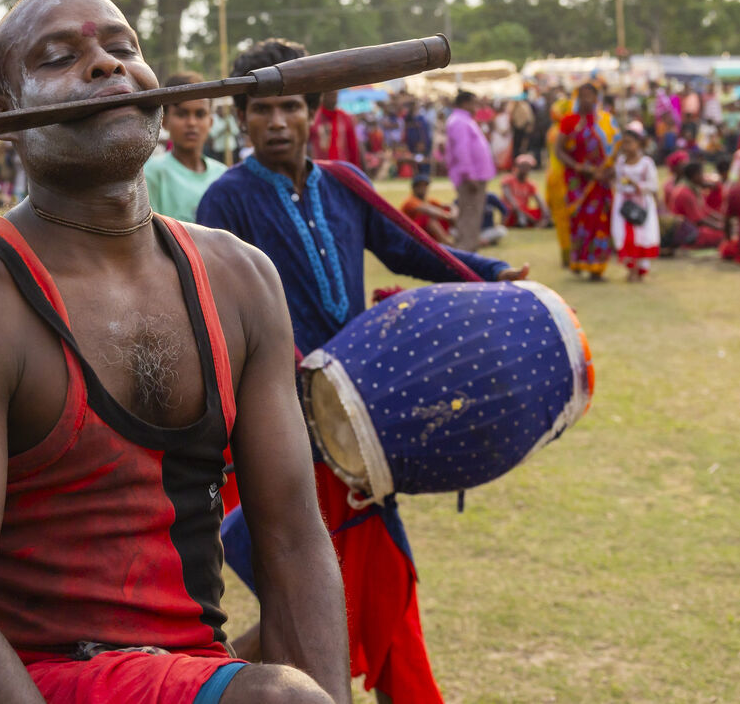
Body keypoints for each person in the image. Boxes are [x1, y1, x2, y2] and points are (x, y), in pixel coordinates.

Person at [0, 0, 351, 704]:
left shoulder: (241, 279)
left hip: (193, 668)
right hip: (29, 680)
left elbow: (292, 540)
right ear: (2, 118)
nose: (107, 65)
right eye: (58, 57)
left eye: (122, 47)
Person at [197, 37, 528, 704]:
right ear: (240, 117)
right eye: (261, 109)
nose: (277, 122)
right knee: (313, 594)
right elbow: (213, 313)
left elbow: (412, 249)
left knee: (377, 581)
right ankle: (216, 684)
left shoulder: (346, 183)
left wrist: (492, 277)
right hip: (278, 429)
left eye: (291, 106)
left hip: (358, 422)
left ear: (314, 111)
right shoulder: (225, 202)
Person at [555, 82, 620, 279]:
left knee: (599, 222)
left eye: (590, 95)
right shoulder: (569, 121)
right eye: (582, 95)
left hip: (601, 181)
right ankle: (577, 261)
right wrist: (580, 168)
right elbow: (559, 150)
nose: (587, 99)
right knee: (579, 222)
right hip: (579, 182)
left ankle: (596, 267)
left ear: (597, 98)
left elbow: (616, 148)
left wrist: (609, 170)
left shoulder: (606, 121)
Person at [143, 72, 227, 222]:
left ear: (210, 122)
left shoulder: (223, 175)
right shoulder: (152, 175)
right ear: (164, 121)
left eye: (200, 114)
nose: (192, 123)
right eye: (182, 114)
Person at [444, 90, 496, 252]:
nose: (477, 107)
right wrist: (469, 175)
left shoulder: (464, 120)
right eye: (474, 103)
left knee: (472, 216)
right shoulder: (459, 121)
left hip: (475, 175)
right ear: (465, 103)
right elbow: (461, 150)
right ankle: (466, 253)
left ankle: (468, 251)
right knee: (469, 217)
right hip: (470, 178)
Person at [611, 123, 659, 281]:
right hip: (623, 204)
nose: (626, 146)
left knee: (641, 236)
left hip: (641, 205)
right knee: (625, 237)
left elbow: (653, 185)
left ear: (638, 143)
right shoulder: (620, 162)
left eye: (629, 142)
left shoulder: (646, 163)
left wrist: (636, 185)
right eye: (624, 142)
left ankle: (639, 269)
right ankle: (631, 268)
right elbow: (618, 182)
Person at [668, 161, 726, 248]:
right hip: (688, 233)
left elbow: (706, 210)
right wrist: (722, 227)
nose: (703, 177)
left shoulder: (691, 188)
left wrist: (724, 221)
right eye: (701, 174)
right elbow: (699, 220)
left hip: (691, 229)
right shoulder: (686, 193)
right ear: (695, 176)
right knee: (723, 235)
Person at [400, 173, 456, 244]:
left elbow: (449, 206)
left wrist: (452, 214)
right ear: (414, 187)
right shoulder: (410, 201)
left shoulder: (429, 200)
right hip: (411, 233)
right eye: (420, 186)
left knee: (446, 211)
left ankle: (456, 236)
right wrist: (448, 216)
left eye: (425, 186)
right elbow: (428, 210)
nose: (423, 189)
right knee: (428, 218)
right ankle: (448, 243)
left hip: (425, 231)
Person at [309, 89, 362, 165]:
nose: (332, 98)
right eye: (329, 94)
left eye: (335, 95)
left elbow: (353, 148)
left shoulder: (345, 118)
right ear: (322, 96)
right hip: (320, 167)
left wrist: (354, 168)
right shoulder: (314, 118)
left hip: (342, 167)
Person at [500, 155, 548, 228]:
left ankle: (531, 221)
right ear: (517, 166)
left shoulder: (530, 184)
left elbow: (540, 201)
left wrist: (545, 212)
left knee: (543, 211)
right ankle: (528, 222)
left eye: (528, 167)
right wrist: (533, 220)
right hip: (511, 211)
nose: (525, 169)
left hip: (524, 211)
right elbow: (511, 200)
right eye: (523, 166)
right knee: (515, 210)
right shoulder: (508, 180)